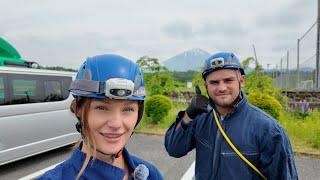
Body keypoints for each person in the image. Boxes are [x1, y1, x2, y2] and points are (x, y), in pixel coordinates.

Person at [164, 52, 298, 180]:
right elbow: (174, 149)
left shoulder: (269, 130)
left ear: (242, 81)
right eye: (214, 82)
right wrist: (189, 115)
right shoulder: (200, 118)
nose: (221, 88)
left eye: (228, 80)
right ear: (206, 86)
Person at [38, 54, 163, 180]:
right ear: (78, 110)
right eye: (102, 108)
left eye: (128, 109)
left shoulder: (151, 174)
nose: (116, 124)